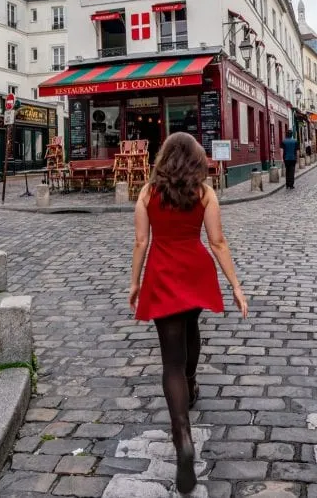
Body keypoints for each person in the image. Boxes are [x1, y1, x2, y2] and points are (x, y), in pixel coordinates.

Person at [128, 133, 248, 495]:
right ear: (197, 160)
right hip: (195, 270)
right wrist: (236, 286)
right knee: (192, 325)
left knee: (170, 362)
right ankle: (193, 380)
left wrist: (134, 283)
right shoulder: (205, 193)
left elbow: (140, 243)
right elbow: (217, 241)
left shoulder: (148, 194)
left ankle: (182, 436)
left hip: (163, 272)